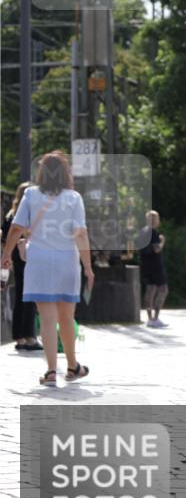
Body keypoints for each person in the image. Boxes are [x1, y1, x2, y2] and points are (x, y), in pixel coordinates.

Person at [2, 151, 94, 386]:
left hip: (39, 261)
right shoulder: (74, 198)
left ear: (41, 172)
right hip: (67, 261)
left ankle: (51, 370)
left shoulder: (31, 195)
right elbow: (81, 234)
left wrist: (6, 256)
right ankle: (72, 366)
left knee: (47, 318)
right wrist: (88, 267)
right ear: (66, 174)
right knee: (66, 317)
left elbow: (16, 227)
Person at [1, 182, 39, 351]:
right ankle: (30, 337)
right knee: (30, 297)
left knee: (20, 297)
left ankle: (19, 337)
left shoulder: (11, 214)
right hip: (29, 257)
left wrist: (8, 253)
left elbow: (4, 237)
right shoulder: (29, 213)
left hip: (16, 256)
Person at [139, 211, 169, 327]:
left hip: (146, 265)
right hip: (156, 266)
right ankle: (155, 318)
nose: (158, 221)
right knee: (163, 290)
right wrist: (162, 241)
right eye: (157, 219)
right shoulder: (154, 233)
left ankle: (149, 318)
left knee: (150, 291)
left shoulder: (142, 231)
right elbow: (157, 249)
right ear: (152, 220)